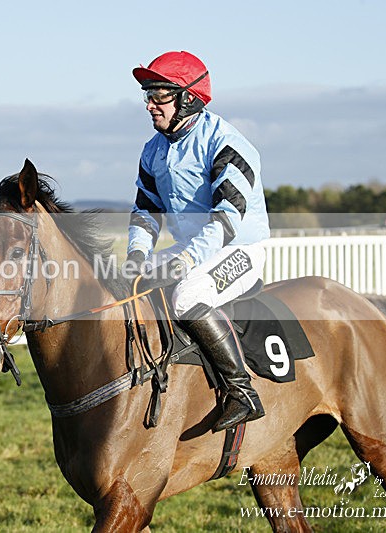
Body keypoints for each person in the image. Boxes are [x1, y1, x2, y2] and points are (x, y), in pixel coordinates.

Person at [124, 51, 271, 432]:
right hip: (192, 248)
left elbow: (226, 221)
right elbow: (145, 211)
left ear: (188, 98)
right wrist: (137, 255)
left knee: (186, 297)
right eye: (148, 96)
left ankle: (242, 391)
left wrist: (184, 261)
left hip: (239, 248)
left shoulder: (226, 143)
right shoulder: (153, 150)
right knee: (128, 287)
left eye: (159, 96)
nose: (150, 105)